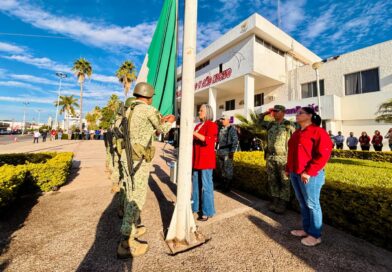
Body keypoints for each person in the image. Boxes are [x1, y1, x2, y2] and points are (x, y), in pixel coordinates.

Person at [117, 82, 175, 259]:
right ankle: (126, 242)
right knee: (137, 198)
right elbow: (162, 129)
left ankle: (133, 227)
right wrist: (170, 122)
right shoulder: (149, 110)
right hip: (138, 160)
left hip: (126, 158)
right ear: (149, 96)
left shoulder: (128, 110)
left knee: (129, 192)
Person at [287, 107, 332, 247]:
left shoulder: (318, 131)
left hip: (310, 175)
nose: (297, 115)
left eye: (300, 113)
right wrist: (288, 169)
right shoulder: (296, 133)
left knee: (313, 204)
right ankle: (307, 230)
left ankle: (315, 235)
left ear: (310, 116)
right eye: (297, 112)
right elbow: (292, 153)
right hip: (295, 173)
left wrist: (308, 171)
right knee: (303, 203)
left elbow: (324, 154)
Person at [261, 105, 296, 214]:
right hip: (271, 156)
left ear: (283, 112)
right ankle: (275, 199)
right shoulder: (271, 124)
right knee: (273, 180)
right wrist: (266, 113)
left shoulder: (288, 125)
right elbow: (259, 121)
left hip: (283, 157)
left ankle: (283, 202)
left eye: (277, 111)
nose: (274, 113)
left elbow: (295, 141)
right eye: (274, 111)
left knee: (284, 180)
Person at [192, 104, 218, 221]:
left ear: (207, 112)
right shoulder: (198, 125)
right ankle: (195, 207)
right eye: (199, 110)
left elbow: (208, 140)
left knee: (206, 186)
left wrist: (193, 133)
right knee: (196, 185)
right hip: (197, 159)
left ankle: (208, 211)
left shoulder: (212, 125)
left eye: (201, 110)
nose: (199, 112)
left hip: (206, 160)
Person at [217, 114, 239, 192]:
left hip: (227, 151)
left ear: (228, 120)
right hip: (221, 151)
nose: (222, 121)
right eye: (221, 119)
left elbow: (235, 141)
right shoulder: (222, 128)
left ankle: (228, 186)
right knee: (222, 169)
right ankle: (223, 184)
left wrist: (232, 151)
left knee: (228, 169)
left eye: (223, 119)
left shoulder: (231, 129)